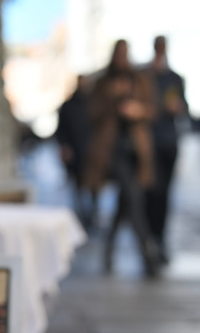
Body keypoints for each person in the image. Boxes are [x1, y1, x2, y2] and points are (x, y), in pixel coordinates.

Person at [83, 39, 161, 277]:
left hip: (136, 150)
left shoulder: (140, 80)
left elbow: (153, 109)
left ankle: (109, 248)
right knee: (133, 197)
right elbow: (92, 113)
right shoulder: (103, 83)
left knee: (125, 203)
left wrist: (137, 110)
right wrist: (112, 100)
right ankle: (148, 253)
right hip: (111, 151)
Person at [143, 36, 187, 264]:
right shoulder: (147, 76)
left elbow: (183, 106)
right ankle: (149, 240)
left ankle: (158, 240)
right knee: (150, 194)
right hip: (149, 145)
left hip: (168, 144)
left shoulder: (174, 78)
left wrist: (177, 107)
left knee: (164, 196)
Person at [55, 75, 96, 228]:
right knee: (78, 186)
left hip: (90, 153)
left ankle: (91, 215)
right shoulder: (68, 106)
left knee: (93, 186)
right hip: (75, 153)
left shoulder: (92, 103)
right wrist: (65, 147)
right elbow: (61, 131)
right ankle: (83, 216)